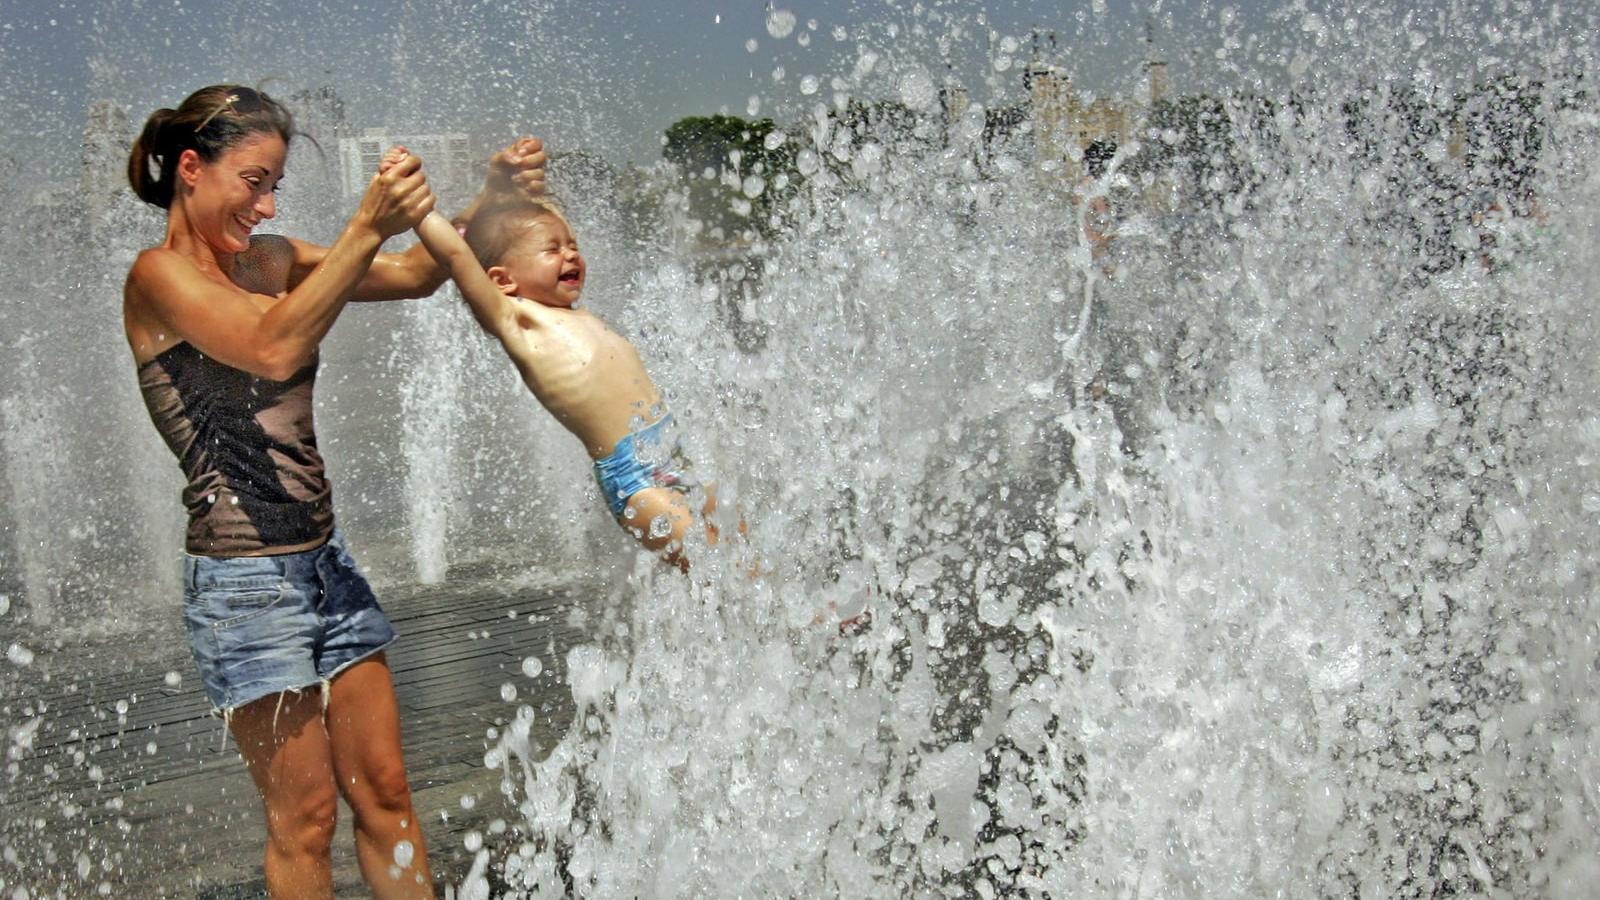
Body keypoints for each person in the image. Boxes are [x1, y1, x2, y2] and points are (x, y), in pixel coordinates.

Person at [122, 84, 545, 899]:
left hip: (326, 564)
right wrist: (362, 223)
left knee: (387, 794)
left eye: (275, 183)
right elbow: (270, 346)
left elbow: (419, 273)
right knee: (306, 821)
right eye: (253, 180)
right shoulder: (157, 278)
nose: (267, 203)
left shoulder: (271, 260)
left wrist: (490, 198)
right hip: (244, 584)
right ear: (189, 169)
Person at [382, 148, 714, 569]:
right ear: (502, 280)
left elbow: (547, 215)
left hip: (675, 455)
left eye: (572, 246)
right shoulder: (518, 321)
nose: (570, 255)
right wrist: (417, 206)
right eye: (552, 250)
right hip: (637, 480)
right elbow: (454, 255)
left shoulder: (573, 313)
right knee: (718, 571)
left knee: (745, 563)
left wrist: (517, 187)